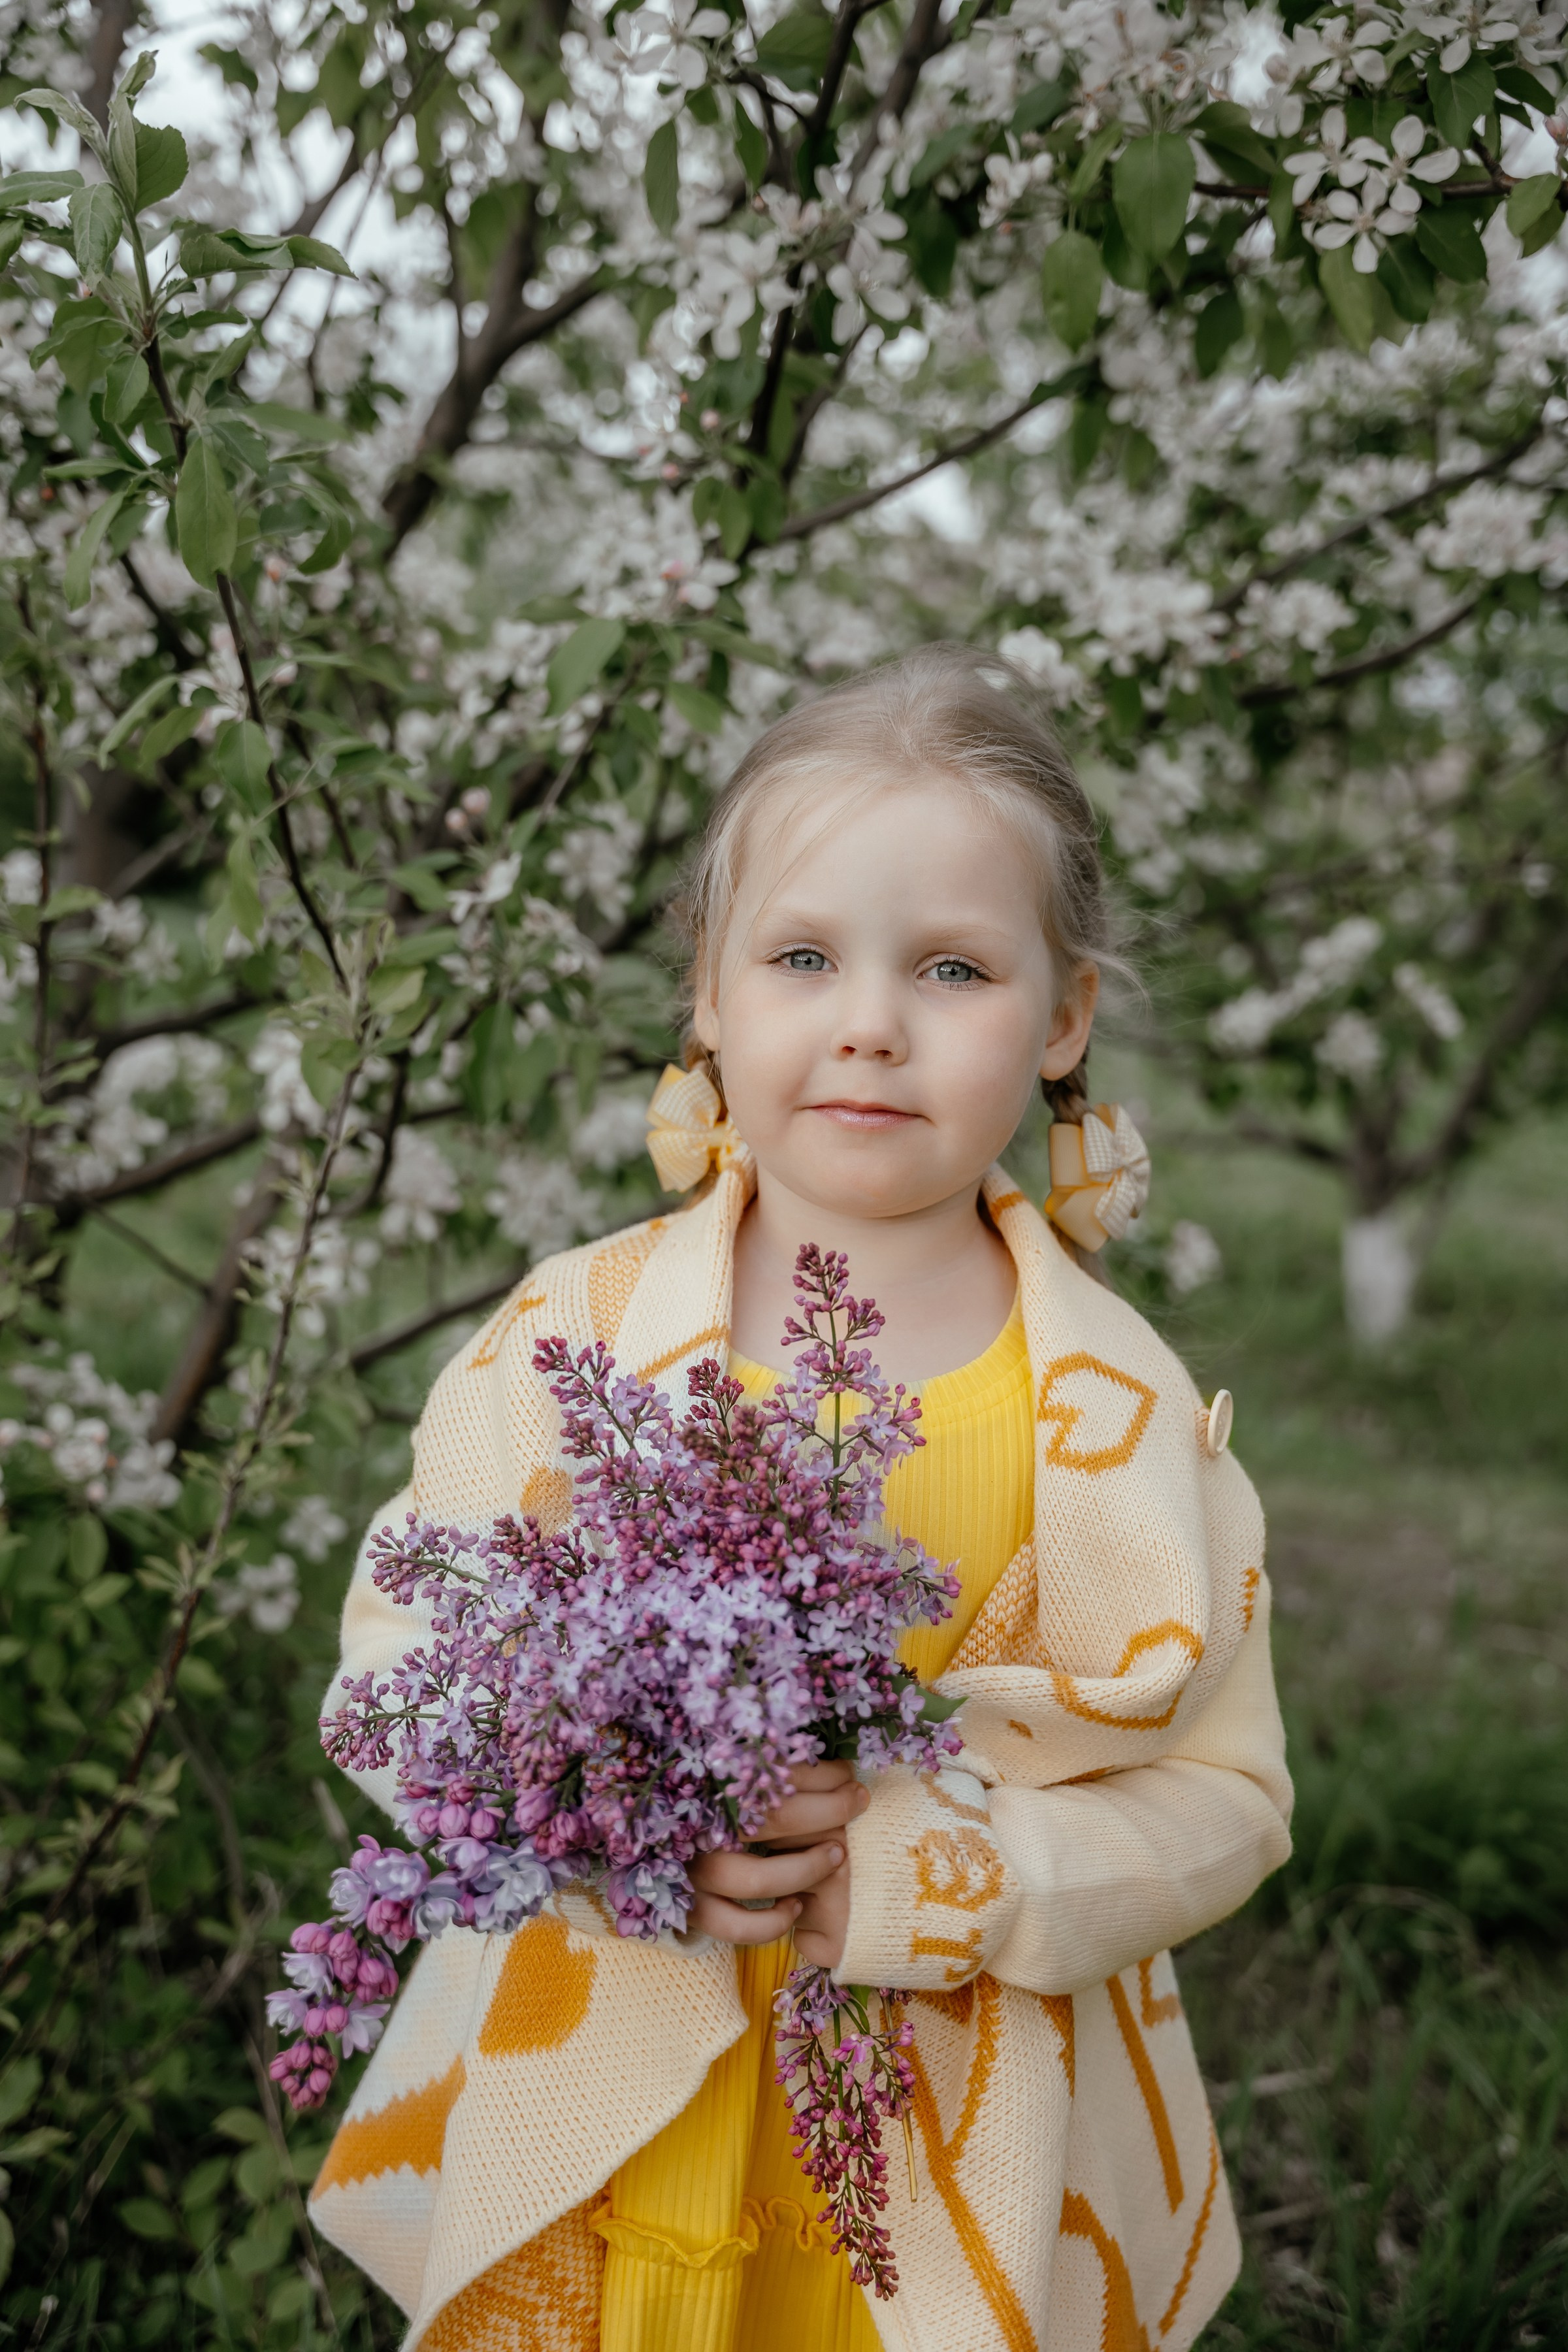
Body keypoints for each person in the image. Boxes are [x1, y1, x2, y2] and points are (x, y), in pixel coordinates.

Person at [308, 644, 1293, 2352]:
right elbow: (406, 1660)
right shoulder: (581, 1341)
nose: (870, 1023)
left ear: (1063, 1019)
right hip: (619, 2092)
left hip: (940, 2138)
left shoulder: (1116, 1408)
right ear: (710, 990)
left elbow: (1226, 1795)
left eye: (957, 969)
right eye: (805, 955)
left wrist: (953, 1871)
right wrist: (600, 1832)